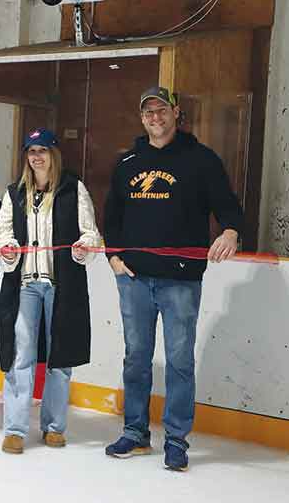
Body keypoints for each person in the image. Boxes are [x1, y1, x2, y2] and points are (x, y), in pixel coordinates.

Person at [103, 86, 242, 471]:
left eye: (162, 110)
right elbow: (111, 217)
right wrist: (113, 255)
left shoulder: (201, 160)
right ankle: (135, 433)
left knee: (180, 361)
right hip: (133, 280)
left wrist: (230, 231)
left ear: (175, 112)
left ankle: (177, 440)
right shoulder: (128, 162)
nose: (156, 118)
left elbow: (228, 206)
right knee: (136, 359)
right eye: (148, 112)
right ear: (142, 117)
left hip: (180, 281)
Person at [0, 128, 101, 454]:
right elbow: (3, 235)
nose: (36, 156)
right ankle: (14, 429)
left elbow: (92, 234)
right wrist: (8, 248)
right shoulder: (15, 193)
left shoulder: (73, 189)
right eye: (30, 151)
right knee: (20, 356)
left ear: (53, 153)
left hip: (61, 286)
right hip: (25, 286)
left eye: (42, 150)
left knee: (60, 357)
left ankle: (54, 427)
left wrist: (85, 247)